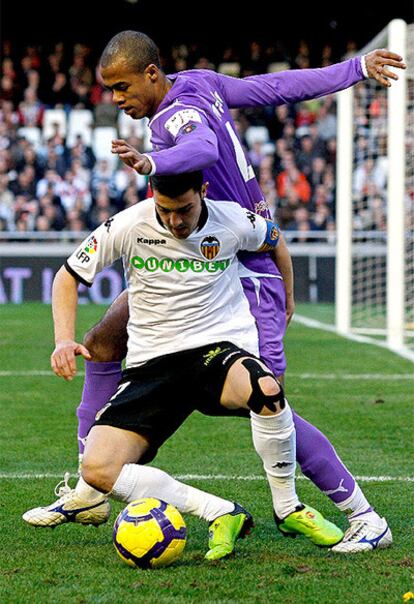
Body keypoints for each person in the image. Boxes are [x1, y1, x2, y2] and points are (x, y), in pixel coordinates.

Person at [55, 31, 404, 553]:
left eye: (123, 87)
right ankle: (89, 489)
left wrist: (153, 163)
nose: (117, 99)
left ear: (152, 75)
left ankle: (361, 514)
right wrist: (352, 69)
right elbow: (275, 86)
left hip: (241, 268)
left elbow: (201, 146)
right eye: (110, 89)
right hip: (194, 260)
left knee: (266, 405)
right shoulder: (201, 83)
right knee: (104, 339)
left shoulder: (175, 118)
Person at [23, 172, 344, 558]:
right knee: (97, 469)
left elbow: (275, 240)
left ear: (204, 192)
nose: (176, 221)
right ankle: (221, 511)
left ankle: (288, 506)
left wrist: (287, 297)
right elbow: (67, 276)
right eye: (166, 210)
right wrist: (63, 338)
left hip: (215, 353)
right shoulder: (128, 224)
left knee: (266, 389)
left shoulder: (231, 219)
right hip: (151, 366)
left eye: (186, 210)